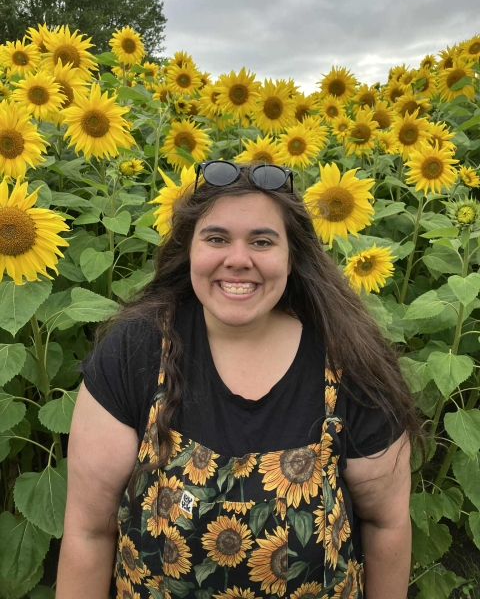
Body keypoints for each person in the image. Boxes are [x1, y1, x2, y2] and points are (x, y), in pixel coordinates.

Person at [56, 161, 419, 599]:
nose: (238, 259)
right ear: (189, 248)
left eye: (262, 241)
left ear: (293, 256)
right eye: (216, 238)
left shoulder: (349, 362)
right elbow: (89, 531)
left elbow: (387, 524)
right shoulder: (137, 349)